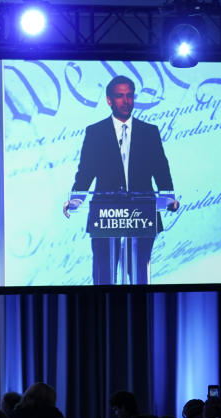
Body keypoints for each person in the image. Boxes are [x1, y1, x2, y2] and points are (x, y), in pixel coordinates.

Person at [64, 75, 179, 285]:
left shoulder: (149, 132)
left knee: (138, 275)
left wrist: (169, 198)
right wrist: (77, 199)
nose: (126, 101)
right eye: (120, 96)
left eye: (129, 96)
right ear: (109, 100)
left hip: (142, 215)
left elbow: (161, 169)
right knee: (104, 275)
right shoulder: (95, 132)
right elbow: (86, 172)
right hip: (105, 215)